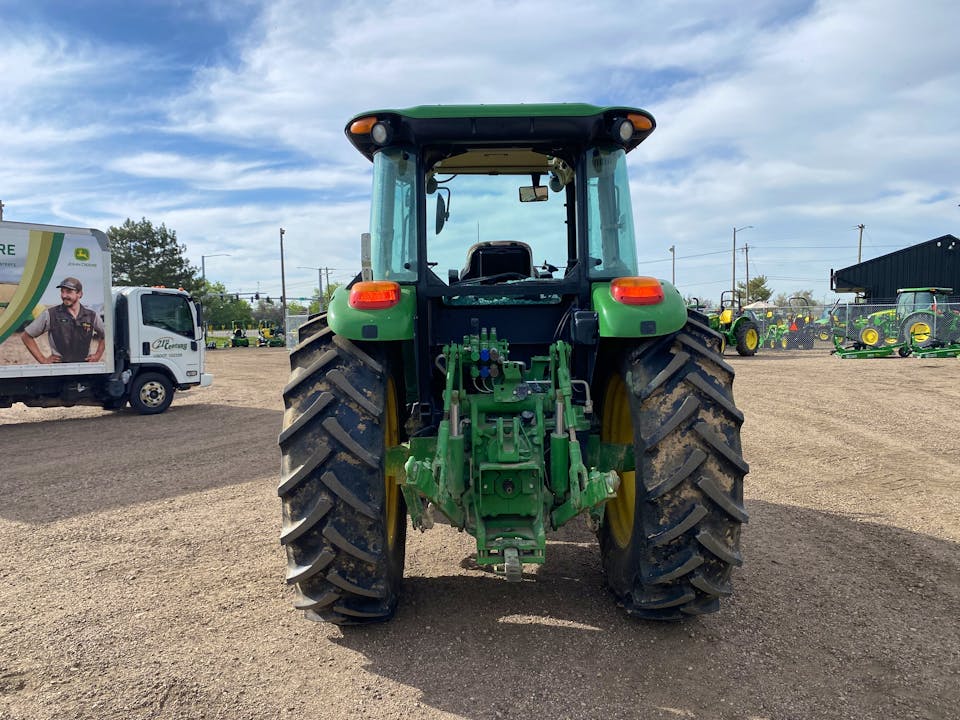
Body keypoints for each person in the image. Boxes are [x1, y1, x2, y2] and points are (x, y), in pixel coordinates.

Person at [21, 277, 106, 364]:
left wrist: (97, 355)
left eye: (69, 291)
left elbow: (106, 336)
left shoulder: (92, 316)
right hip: (59, 370)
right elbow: (26, 336)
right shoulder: (51, 314)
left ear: (80, 294)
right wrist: (43, 360)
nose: (64, 295)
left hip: (84, 369)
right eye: (62, 291)